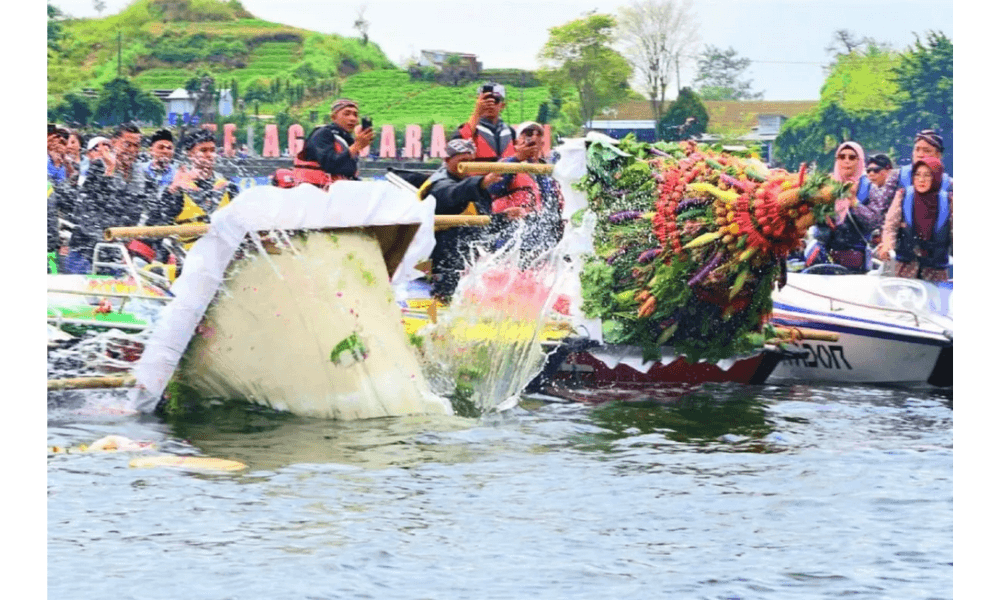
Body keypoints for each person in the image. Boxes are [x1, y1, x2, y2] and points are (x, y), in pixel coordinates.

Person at [417, 138, 503, 302]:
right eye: (463, 161)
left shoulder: (471, 184)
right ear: (447, 160)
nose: (468, 165)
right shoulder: (438, 184)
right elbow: (453, 194)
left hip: (466, 258)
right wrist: (481, 182)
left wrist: (503, 217)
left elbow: (481, 221)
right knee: (442, 300)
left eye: (471, 161)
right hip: (441, 259)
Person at [65, 123, 150, 274]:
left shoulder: (140, 175)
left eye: (136, 146)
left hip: (116, 252)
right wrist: (109, 171)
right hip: (86, 250)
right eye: (127, 144)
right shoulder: (99, 166)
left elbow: (136, 214)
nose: (131, 150)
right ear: (114, 144)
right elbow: (87, 207)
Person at [486, 121, 565, 260]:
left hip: (543, 244)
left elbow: (553, 208)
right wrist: (518, 159)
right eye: (528, 134)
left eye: (538, 134)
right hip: (511, 241)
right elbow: (493, 188)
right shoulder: (506, 165)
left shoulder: (547, 171)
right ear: (517, 142)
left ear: (542, 142)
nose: (534, 137)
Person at [155, 128, 241, 254]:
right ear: (190, 154)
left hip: (226, 258)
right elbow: (157, 223)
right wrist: (171, 190)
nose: (209, 155)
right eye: (203, 150)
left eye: (212, 150)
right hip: (189, 258)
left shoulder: (228, 188)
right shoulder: (178, 189)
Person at [876, 156, 952, 282]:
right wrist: (887, 245)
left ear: (936, 177)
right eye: (917, 175)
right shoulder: (903, 195)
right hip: (906, 266)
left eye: (927, 175)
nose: (921, 180)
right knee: (904, 298)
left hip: (936, 269)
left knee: (935, 300)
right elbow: (891, 224)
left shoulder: (948, 201)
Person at [806, 141, 871, 272]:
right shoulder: (827, 186)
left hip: (856, 259)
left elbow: (872, 221)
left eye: (852, 157)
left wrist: (853, 201)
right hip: (826, 257)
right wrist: (823, 218)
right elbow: (815, 224)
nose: (846, 161)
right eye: (842, 157)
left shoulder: (868, 186)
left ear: (860, 160)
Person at [288, 98, 374, 189]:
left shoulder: (347, 139)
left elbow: (348, 170)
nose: (352, 119)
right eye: (347, 114)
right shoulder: (322, 134)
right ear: (333, 117)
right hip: (316, 191)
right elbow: (330, 165)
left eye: (355, 115)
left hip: (338, 192)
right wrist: (356, 146)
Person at [452, 82, 517, 161]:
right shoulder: (469, 128)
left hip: (507, 172)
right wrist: (477, 113)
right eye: (485, 100)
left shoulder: (511, 132)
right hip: (478, 172)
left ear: (502, 105)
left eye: (495, 100)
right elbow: (458, 145)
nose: (490, 104)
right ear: (478, 103)